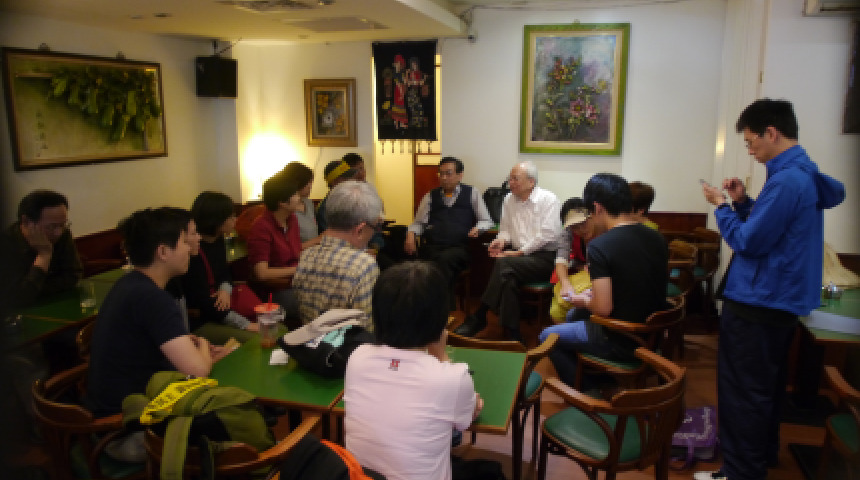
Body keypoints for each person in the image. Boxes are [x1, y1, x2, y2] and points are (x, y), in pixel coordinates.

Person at [694, 99, 844, 480]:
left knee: (742, 394)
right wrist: (743, 202)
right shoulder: (801, 174)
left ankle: (740, 472)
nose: (750, 150)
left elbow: (748, 242)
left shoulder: (787, 180)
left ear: (771, 133)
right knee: (766, 390)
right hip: (778, 302)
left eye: (751, 141)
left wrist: (722, 207)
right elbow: (772, 231)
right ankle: (760, 459)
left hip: (758, 302)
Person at [344, 261, 484, 480]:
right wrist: (441, 354)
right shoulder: (452, 378)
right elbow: (471, 413)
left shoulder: (357, 357)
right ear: (439, 319)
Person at [87, 208, 228, 418]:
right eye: (183, 242)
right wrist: (204, 346)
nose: (189, 248)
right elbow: (198, 371)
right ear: (162, 252)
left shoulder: (129, 283)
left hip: (111, 404)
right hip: (129, 417)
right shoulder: (153, 298)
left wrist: (194, 349)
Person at [539, 173, 668, 391]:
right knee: (572, 315)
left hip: (622, 336)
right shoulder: (656, 237)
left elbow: (603, 308)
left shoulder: (601, 246)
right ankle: (599, 375)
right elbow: (635, 282)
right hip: (652, 334)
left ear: (597, 208)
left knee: (547, 336)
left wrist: (584, 300)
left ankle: (590, 391)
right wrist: (590, 298)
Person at [454, 161, 562, 342]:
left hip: (545, 259)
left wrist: (520, 253)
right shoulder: (509, 199)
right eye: (510, 178)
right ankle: (513, 334)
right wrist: (501, 241)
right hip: (518, 260)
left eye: (515, 179)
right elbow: (506, 230)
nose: (510, 182)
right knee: (508, 277)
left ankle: (480, 316)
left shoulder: (548, 199)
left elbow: (548, 235)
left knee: (504, 264)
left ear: (531, 182)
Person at [404, 156, 493, 306]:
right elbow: (419, 223)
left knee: (443, 260)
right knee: (430, 261)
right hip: (433, 247)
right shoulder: (430, 196)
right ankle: (439, 306)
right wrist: (410, 235)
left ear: (460, 175)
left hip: (458, 248)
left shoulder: (472, 193)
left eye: (448, 173)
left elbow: (486, 220)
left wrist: (478, 228)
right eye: (441, 173)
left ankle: (439, 306)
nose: (444, 178)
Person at [292, 181, 383, 325]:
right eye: (376, 227)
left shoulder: (306, 256)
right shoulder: (364, 265)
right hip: (346, 340)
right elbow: (366, 327)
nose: (373, 233)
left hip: (311, 337)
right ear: (360, 230)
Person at [177, 191, 259, 334]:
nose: (235, 220)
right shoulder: (193, 252)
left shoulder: (217, 239)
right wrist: (246, 325)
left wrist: (225, 290)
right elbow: (204, 302)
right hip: (202, 319)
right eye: (231, 216)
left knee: (274, 327)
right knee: (259, 336)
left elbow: (224, 274)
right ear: (215, 220)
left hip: (220, 309)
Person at [0, 190, 83, 316]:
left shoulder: (63, 234)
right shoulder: (6, 243)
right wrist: (44, 255)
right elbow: (18, 298)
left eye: (63, 225)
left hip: (57, 306)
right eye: (51, 227)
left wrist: (35, 288)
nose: (58, 233)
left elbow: (73, 275)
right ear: (26, 221)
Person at [247, 171, 304, 318]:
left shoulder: (292, 219)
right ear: (282, 203)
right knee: (317, 302)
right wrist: (299, 269)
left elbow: (296, 253)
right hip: (274, 291)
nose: (299, 197)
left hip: (296, 282)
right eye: (295, 194)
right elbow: (262, 273)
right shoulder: (261, 227)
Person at [549, 197, 591, 323]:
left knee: (565, 301)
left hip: (596, 274)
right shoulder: (567, 231)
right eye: (574, 227)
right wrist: (565, 284)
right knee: (556, 309)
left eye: (583, 223)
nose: (580, 230)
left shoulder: (602, 230)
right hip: (580, 269)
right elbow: (561, 259)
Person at [280, 161, 321, 248]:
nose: (310, 186)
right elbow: (285, 247)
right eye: (308, 182)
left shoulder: (309, 203)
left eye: (311, 182)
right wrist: (317, 240)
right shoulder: (286, 208)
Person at [316, 159, 358, 233]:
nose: (351, 181)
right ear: (334, 181)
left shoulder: (349, 201)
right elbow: (333, 235)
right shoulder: (325, 208)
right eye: (346, 178)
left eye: (351, 177)